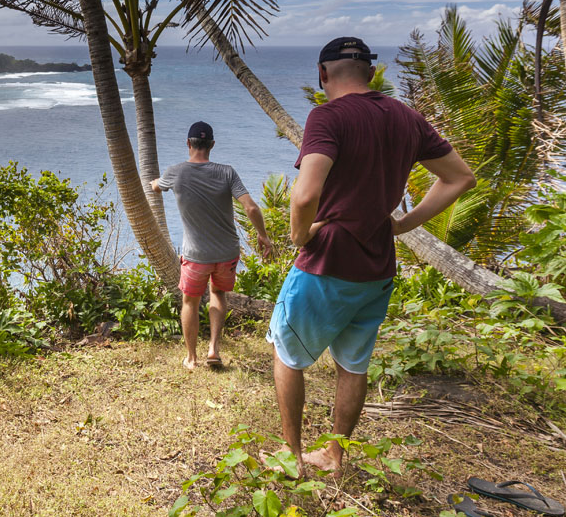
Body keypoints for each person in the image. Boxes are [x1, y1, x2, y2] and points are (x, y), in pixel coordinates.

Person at [267, 36, 475, 472]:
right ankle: (334, 455)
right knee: (352, 364)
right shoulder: (407, 117)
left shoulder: (327, 116)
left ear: (322, 74)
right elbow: (460, 178)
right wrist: (403, 223)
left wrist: (299, 236)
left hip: (326, 260)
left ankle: (292, 457)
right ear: (372, 72)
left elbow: (304, 195)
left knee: (287, 353)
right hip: (378, 264)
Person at [152, 121, 274, 371]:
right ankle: (213, 350)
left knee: (190, 302)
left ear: (188, 143)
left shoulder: (176, 172)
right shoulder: (227, 172)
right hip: (227, 253)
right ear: (212, 145)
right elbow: (251, 208)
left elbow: (156, 187)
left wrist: (155, 182)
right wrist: (263, 236)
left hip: (196, 255)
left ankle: (191, 358)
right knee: (218, 294)